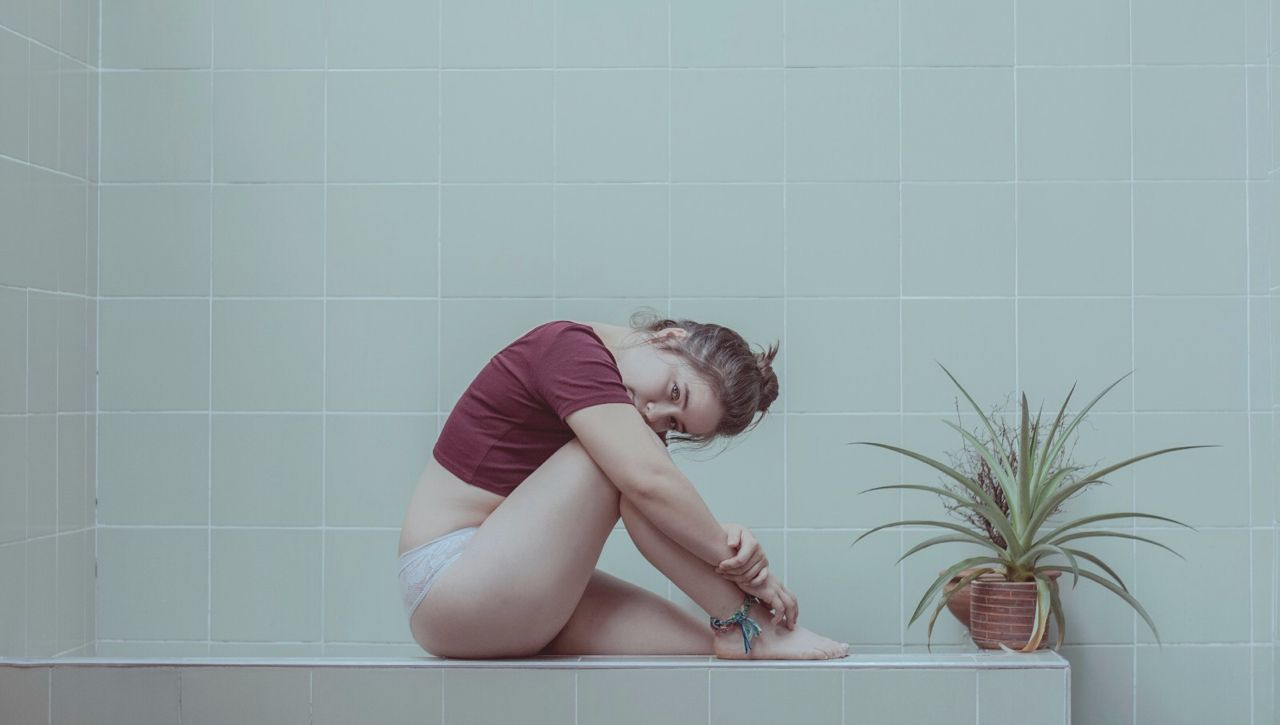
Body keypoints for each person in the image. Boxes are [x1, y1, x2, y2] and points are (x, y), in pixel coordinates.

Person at [397, 309, 850, 660]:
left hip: (509, 587)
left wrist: (728, 541)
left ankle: (744, 631)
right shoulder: (570, 349)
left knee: (704, 645)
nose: (655, 415)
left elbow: (660, 505)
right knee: (623, 468)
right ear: (671, 338)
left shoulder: (627, 418)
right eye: (675, 393)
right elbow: (649, 487)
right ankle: (750, 625)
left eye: (676, 424)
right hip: (450, 581)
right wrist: (752, 574)